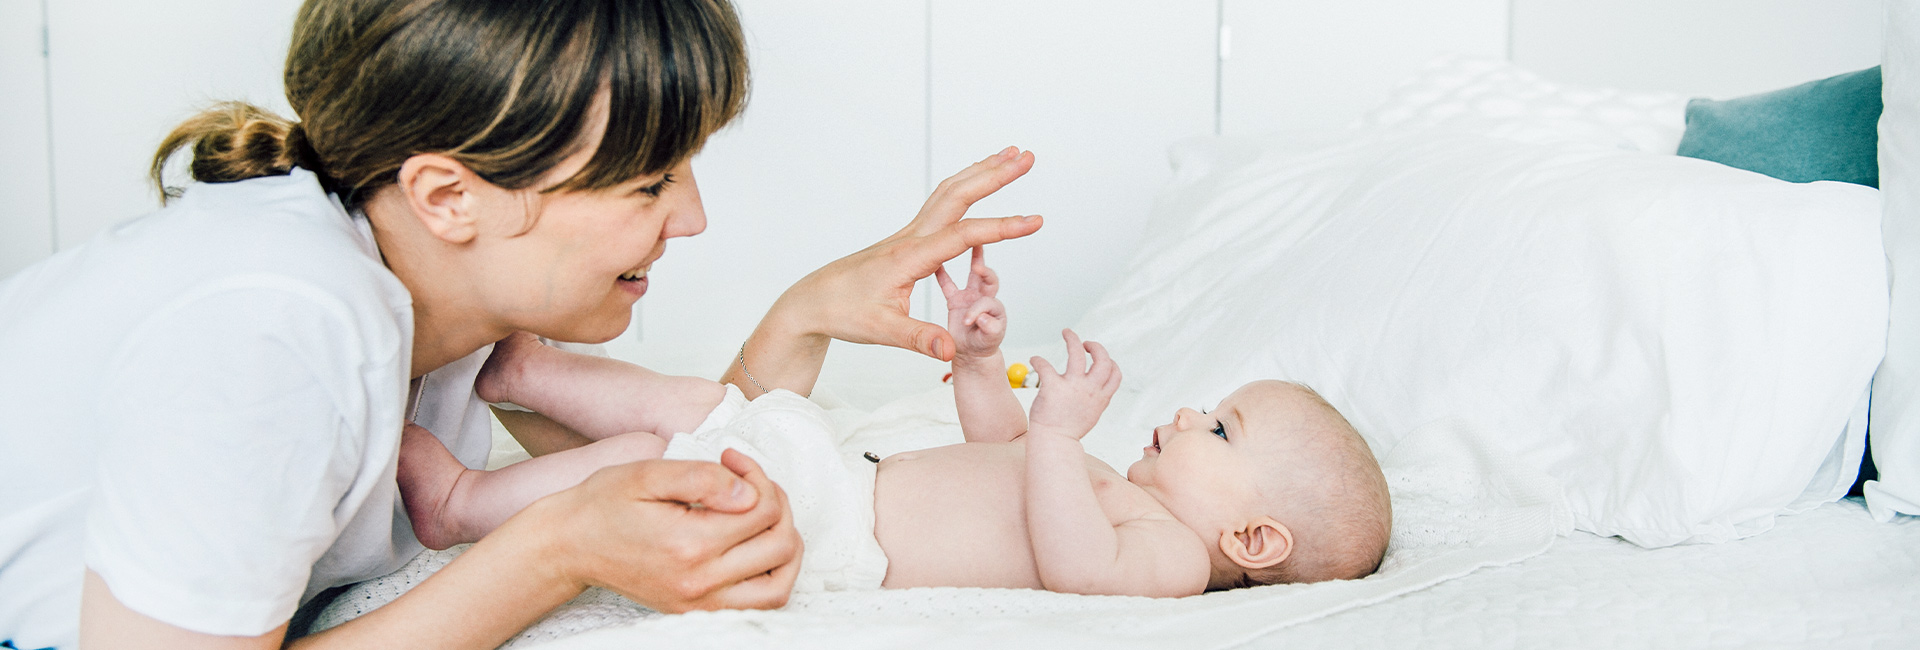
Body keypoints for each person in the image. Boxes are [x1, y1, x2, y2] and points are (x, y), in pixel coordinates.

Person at [0, 0, 1042, 647]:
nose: (693, 217)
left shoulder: (443, 309)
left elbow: (673, 466)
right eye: (646, 183)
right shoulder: (281, 325)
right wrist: (554, 550)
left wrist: (802, 313)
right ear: (450, 197)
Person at [403, 248, 1393, 596]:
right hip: (836, 468)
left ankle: (463, 499)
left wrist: (1055, 437)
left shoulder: (1169, 556)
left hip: (837, 531)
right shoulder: (1114, 484)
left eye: (1219, 431)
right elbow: (996, 447)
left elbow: (1078, 568)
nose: (1186, 414)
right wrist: (975, 360)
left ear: (1254, 539)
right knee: (703, 405)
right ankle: (529, 367)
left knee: (650, 454)